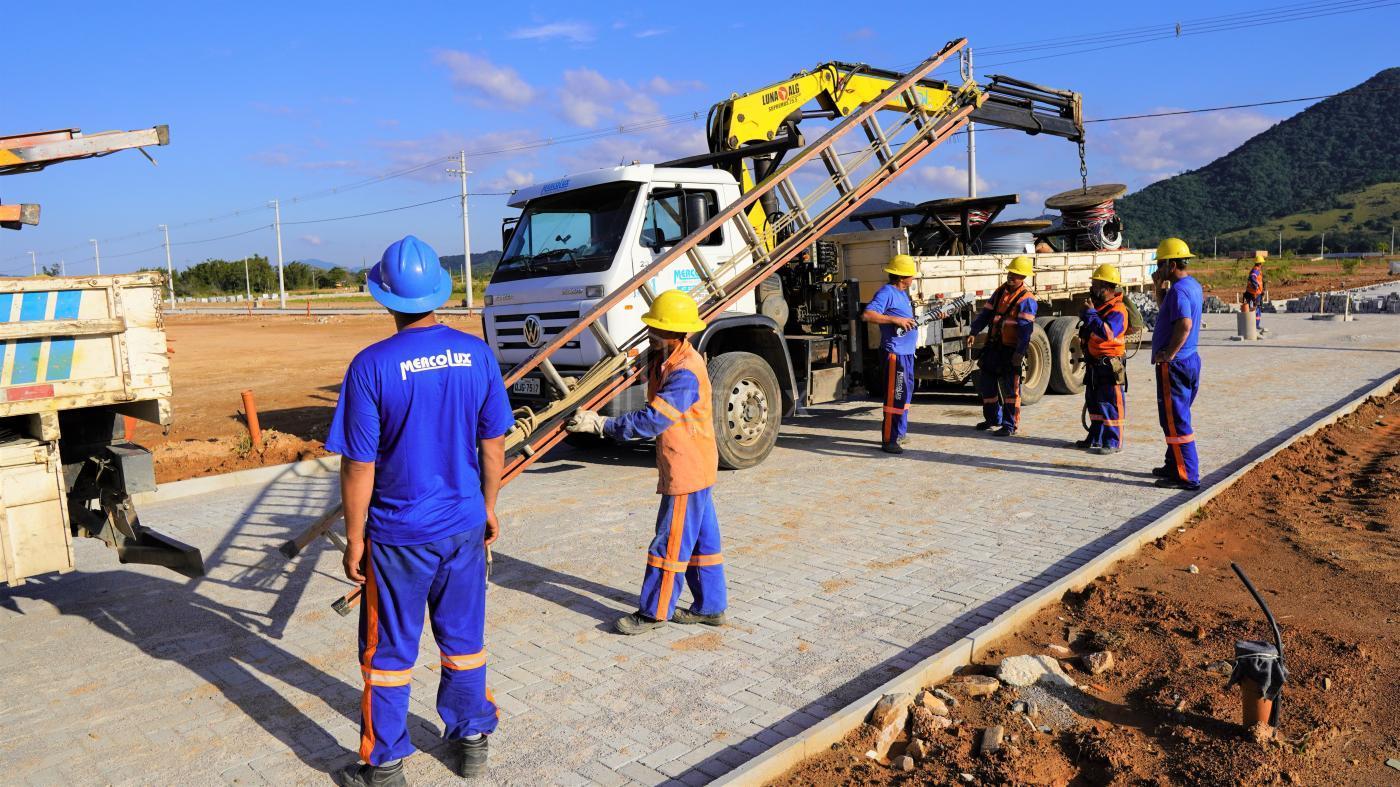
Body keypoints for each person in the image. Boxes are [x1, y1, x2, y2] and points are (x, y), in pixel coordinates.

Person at [328, 235, 514, 786]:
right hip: (461, 528)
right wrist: (489, 506)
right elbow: (494, 445)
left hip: (396, 537)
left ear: (384, 297)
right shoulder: (476, 355)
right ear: (438, 291)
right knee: (464, 639)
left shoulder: (370, 367)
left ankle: (384, 766)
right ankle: (472, 739)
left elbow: (359, 465)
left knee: (388, 652)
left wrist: (355, 539)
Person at [565, 290, 727, 635]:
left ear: (677, 333)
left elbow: (653, 420)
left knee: (669, 543)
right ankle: (711, 607)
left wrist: (602, 425)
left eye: (657, 329)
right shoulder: (665, 357)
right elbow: (632, 376)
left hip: (687, 468)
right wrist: (577, 388)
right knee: (701, 542)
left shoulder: (686, 372)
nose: (650, 334)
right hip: (692, 465)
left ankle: (654, 612)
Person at [1151, 238, 1204, 491]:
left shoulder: (1180, 291)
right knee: (1173, 418)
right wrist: (1158, 288)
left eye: (1160, 264)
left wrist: (1169, 354)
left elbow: (1184, 324)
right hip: (1189, 361)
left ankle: (1187, 476)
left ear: (1171, 264)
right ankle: (1174, 465)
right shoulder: (1190, 286)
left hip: (1176, 365)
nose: (1158, 268)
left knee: (1177, 419)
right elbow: (1168, 311)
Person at [968, 255, 1038, 437]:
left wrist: (1020, 353)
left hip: (1010, 350)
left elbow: (1025, 330)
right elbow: (985, 315)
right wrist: (973, 332)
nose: (1011, 276)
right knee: (987, 385)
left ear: (1023, 278)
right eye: (1010, 272)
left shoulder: (1027, 300)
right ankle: (992, 419)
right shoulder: (999, 292)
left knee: (1010, 390)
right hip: (993, 347)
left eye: (1016, 274)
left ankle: (1010, 425)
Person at [861, 254, 919, 453]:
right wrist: (895, 321)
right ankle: (889, 439)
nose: (913, 278)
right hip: (895, 354)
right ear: (902, 277)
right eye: (911, 275)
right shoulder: (887, 292)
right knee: (896, 396)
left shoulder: (903, 294)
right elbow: (868, 314)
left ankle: (900, 433)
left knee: (905, 395)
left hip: (907, 354)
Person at [1075, 263, 1129, 455]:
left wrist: (1090, 314)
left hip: (1109, 364)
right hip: (1094, 363)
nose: (1092, 288)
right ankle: (1095, 437)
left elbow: (1107, 333)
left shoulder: (1118, 310)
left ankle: (1113, 442)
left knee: (1111, 404)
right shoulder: (1100, 307)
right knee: (1094, 402)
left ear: (1106, 287)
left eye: (1096, 284)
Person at [1243, 251, 1268, 335]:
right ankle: (1255, 325)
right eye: (1261, 263)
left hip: (1253, 293)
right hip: (1255, 294)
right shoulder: (1256, 270)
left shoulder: (1256, 269)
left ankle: (1254, 324)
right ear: (1260, 263)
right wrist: (1256, 285)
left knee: (1254, 308)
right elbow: (1252, 277)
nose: (1262, 265)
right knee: (1256, 309)